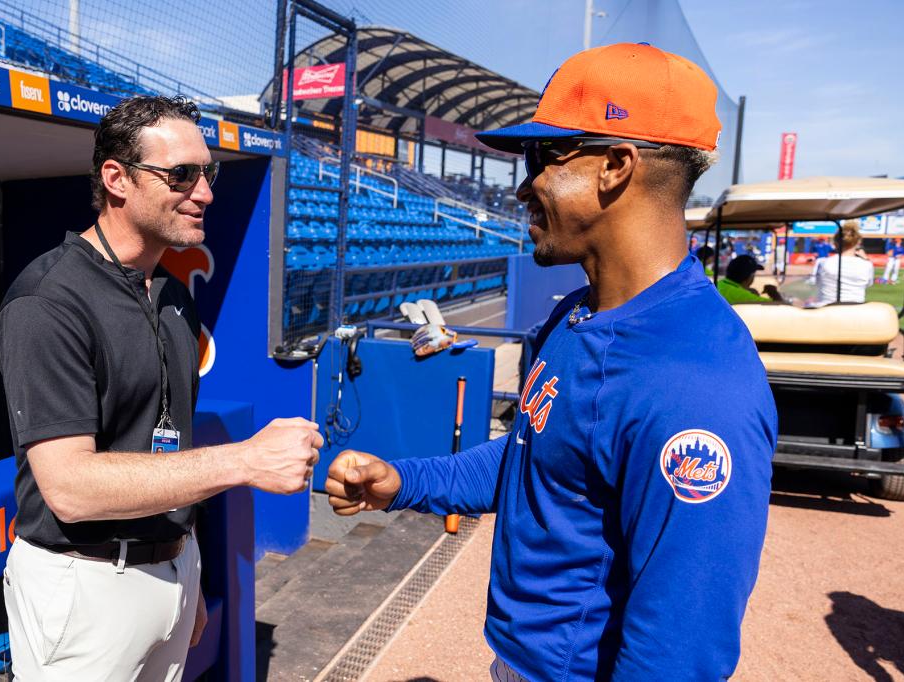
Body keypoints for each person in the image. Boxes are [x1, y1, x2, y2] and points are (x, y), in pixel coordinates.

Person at [326, 43, 775, 681]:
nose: (524, 184)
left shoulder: (696, 383)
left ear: (616, 165)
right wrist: (407, 482)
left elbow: (681, 650)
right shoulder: (577, 312)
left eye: (544, 156)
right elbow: (535, 457)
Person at [0, 95, 323, 681]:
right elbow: (69, 487)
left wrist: (180, 564)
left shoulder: (172, 295)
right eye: (181, 174)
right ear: (116, 179)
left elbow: (165, 438)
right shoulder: (49, 301)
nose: (205, 192)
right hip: (84, 585)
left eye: (208, 172)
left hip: (170, 568)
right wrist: (245, 460)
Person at [811, 219, 874, 305]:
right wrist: (865, 259)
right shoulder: (867, 265)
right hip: (855, 310)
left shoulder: (823, 262)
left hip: (826, 309)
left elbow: (815, 283)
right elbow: (868, 284)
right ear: (858, 242)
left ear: (835, 242)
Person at [718, 254, 784, 304]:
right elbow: (780, 307)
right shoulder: (743, 295)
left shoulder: (718, 284)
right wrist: (774, 293)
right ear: (749, 277)